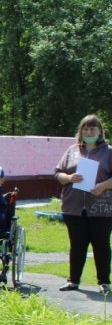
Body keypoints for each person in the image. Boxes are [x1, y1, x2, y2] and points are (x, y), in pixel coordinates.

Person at [54, 115, 112, 293]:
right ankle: (73, 281)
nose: (89, 132)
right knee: (77, 244)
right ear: (81, 131)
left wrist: (102, 186)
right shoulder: (72, 151)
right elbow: (57, 174)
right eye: (85, 129)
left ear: (100, 131)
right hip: (74, 207)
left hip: (101, 208)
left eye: (92, 129)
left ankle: (104, 282)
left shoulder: (109, 151)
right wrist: (69, 177)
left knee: (101, 244)